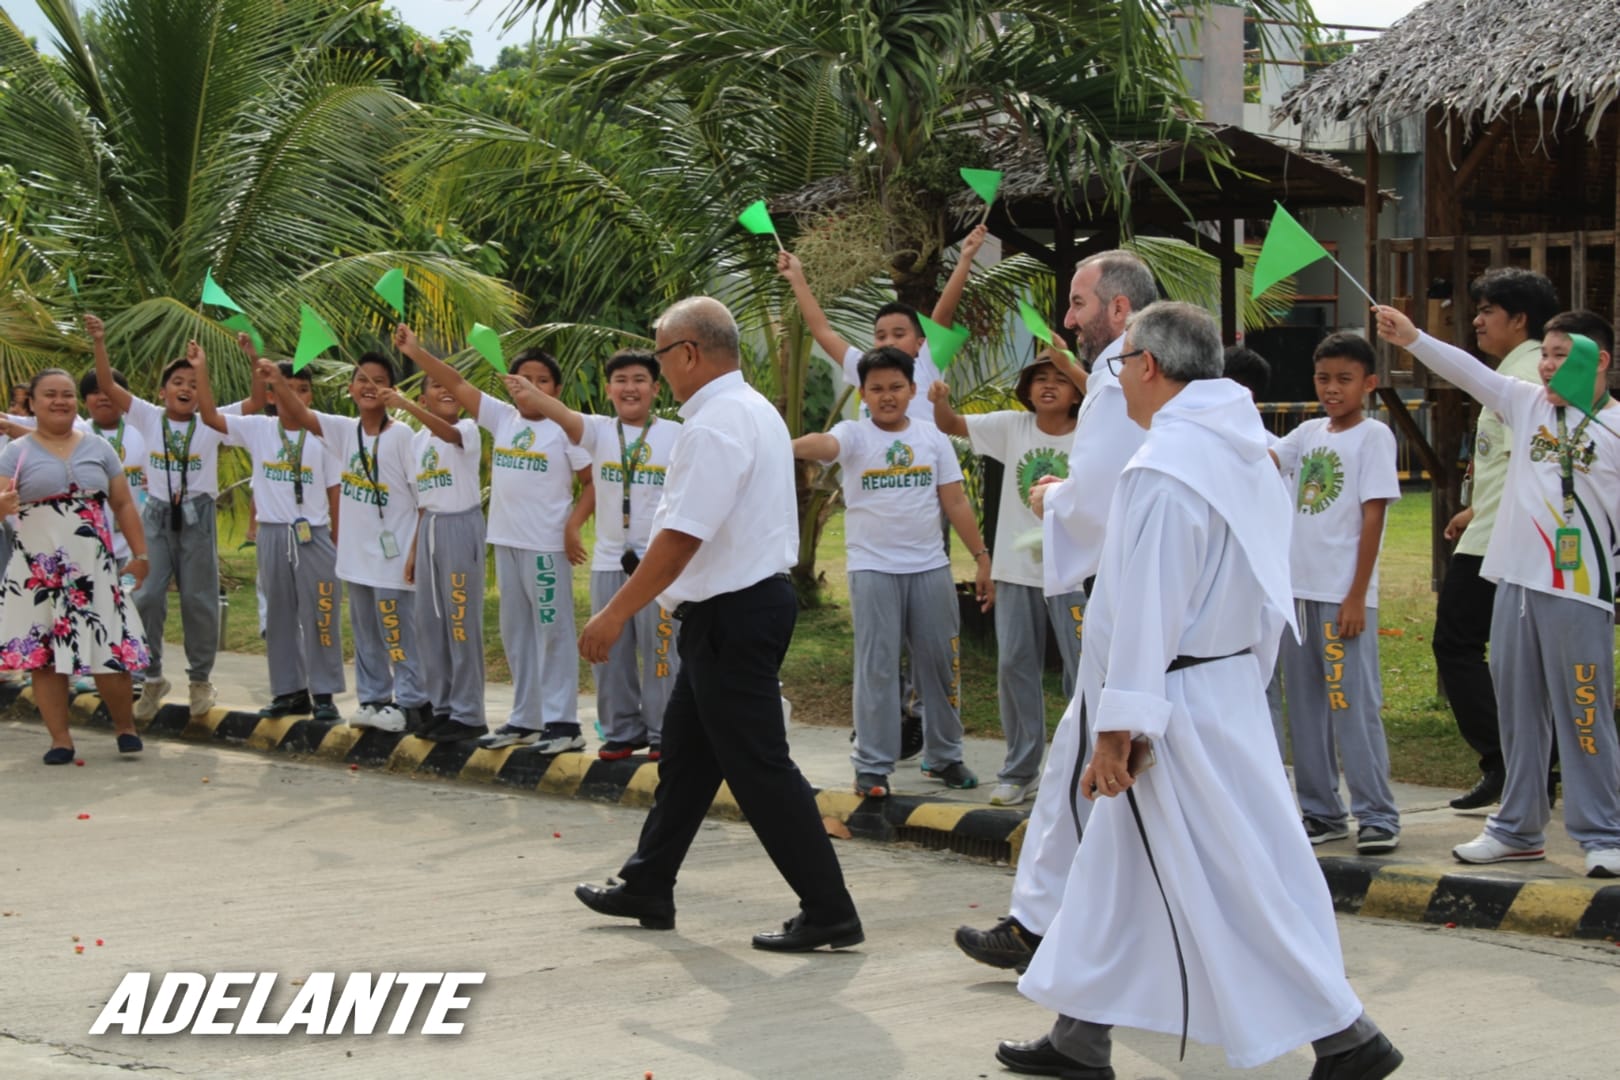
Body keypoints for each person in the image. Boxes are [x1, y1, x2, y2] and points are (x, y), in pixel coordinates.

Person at [1000, 300, 1402, 1080]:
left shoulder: (1166, 468)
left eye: (1118, 369)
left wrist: (1120, 728)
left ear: (1148, 366)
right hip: (1218, 688)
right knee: (1119, 871)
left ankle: (1348, 1036)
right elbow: (1260, 585)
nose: (1114, 385)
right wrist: (1232, 683)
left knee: (1237, 876)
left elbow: (1146, 606)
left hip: (1174, 701)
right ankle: (1079, 1037)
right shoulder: (1249, 448)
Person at [573, 296, 862, 952]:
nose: (657, 366)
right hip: (732, 611)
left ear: (690, 354)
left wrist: (617, 612)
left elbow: (680, 537)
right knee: (688, 759)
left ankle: (829, 908)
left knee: (760, 769)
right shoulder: (750, 410)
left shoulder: (713, 424)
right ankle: (649, 882)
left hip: (734, 613)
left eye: (660, 352)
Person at [954, 250, 1155, 973]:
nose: (1067, 320)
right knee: (1103, 769)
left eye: (1076, 303)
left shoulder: (1114, 382)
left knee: (1098, 767)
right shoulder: (1193, 390)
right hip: (1164, 615)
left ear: (1120, 310)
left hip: (1131, 603)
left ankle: (1047, 927)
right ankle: (1053, 929)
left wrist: (1049, 500)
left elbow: (1095, 497)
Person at [1375, 304, 1620, 879]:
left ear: (1600, 361)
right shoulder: (1525, 404)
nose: (1549, 369)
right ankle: (1517, 829)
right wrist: (1413, 338)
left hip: (1580, 591)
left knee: (1583, 712)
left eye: (1562, 356)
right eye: (1547, 356)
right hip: (1514, 581)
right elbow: (1470, 373)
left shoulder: (1615, 429)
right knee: (1517, 716)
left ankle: (1603, 832)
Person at [793, 346, 994, 797]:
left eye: (896, 388)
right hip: (873, 570)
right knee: (878, 669)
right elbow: (825, 445)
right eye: (877, 389)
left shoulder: (932, 438)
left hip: (930, 569)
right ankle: (872, 765)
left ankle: (944, 756)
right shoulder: (855, 434)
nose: (887, 396)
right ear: (863, 393)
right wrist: (784, 445)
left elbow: (956, 501)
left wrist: (981, 556)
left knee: (941, 666)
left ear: (912, 390)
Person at [392, 325, 593, 753]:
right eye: (524, 379)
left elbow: (591, 482)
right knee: (516, 632)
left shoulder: (564, 427)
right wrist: (416, 351)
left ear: (556, 388)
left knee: (552, 632)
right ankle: (525, 719)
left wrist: (573, 526)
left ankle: (564, 724)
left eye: (543, 381)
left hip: (544, 547)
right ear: (509, 383)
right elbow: (457, 382)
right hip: (505, 540)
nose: (532, 387)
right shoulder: (502, 417)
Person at [501, 348, 681, 761]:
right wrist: (530, 391)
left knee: (661, 652)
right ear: (608, 389)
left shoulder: (676, 434)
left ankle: (663, 731)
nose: (629, 388)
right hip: (608, 562)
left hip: (658, 564)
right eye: (620, 380)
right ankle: (620, 731)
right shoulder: (598, 430)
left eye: (639, 380)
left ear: (655, 388)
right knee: (608, 651)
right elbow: (560, 414)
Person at [929, 353, 1083, 807]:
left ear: (1079, 391)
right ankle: (1020, 770)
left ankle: (1081, 764)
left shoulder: (1093, 434)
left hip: (1073, 570)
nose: (1049, 386)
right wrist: (939, 400)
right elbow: (952, 424)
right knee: (1015, 664)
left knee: (1083, 671)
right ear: (1027, 388)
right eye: (1040, 379)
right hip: (1016, 572)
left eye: (1061, 379)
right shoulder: (1012, 428)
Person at [1270, 333, 1403, 855]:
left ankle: (1377, 815)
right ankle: (1321, 811)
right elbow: (1263, 461)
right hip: (1296, 596)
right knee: (1303, 710)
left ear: (1369, 383)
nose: (1332, 389)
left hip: (1340, 595)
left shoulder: (1374, 437)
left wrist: (1355, 596)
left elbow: (1373, 517)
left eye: (1344, 379)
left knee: (1351, 705)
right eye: (1323, 378)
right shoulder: (1306, 433)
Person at [1434, 268, 1560, 810]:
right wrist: (1473, 508)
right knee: (1506, 654)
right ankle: (1525, 763)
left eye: (1487, 311)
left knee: (1457, 643)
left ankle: (1505, 760)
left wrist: (1487, 518)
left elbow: (1537, 463)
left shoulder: (1528, 372)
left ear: (1519, 319)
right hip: (1490, 528)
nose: (1478, 321)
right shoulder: (1517, 368)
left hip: (1502, 543)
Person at [259, 351, 428, 734]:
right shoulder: (342, 430)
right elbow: (300, 414)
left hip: (394, 559)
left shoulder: (403, 437)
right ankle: (373, 699)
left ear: (392, 390)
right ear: (350, 389)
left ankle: (413, 701)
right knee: (366, 634)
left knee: (396, 632)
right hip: (357, 558)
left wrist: (415, 551)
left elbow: (422, 503)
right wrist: (275, 379)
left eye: (379, 380)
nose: (370, 387)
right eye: (362, 379)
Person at [0, 369, 151, 764]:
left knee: (109, 647)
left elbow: (122, 504)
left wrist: (141, 554)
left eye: (67, 394)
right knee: (47, 656)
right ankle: (61, 740)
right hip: (38, 570)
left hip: (92, 566)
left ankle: (125, 728)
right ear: (32, 403)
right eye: (50, 394)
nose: (60, 401)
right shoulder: (16, 453)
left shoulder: (99, 448)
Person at [195, 341, 345, 724]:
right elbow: (210, 418)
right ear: (272, 395)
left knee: (320, 615)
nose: (295, 395)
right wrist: (201, 368)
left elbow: (334, 491)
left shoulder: (323, 431)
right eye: (286, 388)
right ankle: (289, 692)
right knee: (278, 616)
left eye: (304, 389)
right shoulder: (259, 428)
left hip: (314, 534)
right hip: (273, 534)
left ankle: (324, 693)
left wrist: (338, 542)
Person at [87, 315, 225, 720]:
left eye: (193, 384)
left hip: (197, 514)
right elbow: (108, 385)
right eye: (178, 383)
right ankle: (151, 678)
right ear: (161, 392)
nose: (186, 389)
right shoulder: (147, 416)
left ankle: (200, 680)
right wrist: (99, 340)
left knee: (199, 600)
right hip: (157, 515)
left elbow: (254, 404)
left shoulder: (212, 423)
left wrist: (204, 369)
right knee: (143, 594)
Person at [776, 223, 986, 423]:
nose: (889, 342)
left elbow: (943, 315)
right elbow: (823, 332)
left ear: (920, 344)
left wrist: (965, 259)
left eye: (899, 334)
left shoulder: (926, 365)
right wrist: (797, 278)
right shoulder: (864, 367)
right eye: (881, 336)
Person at [381, 374, 488, 743]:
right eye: (435, 385)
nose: (444, 390)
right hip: (429, 530)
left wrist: (405, 406)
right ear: (424, 397)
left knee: (460, 621)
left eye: (450, 385)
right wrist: (412, 552)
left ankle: (469, 712)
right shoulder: (418, 442)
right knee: (430, 624)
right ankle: (443, 708)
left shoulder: (468, 429)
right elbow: (422, 503)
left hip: (460, 526)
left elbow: (450, 436)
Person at [1222, 343, 1288, 754]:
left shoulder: (1268, 452)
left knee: (1259, 686)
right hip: (1217, 593)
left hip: (1256, 589)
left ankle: (1273, 781)